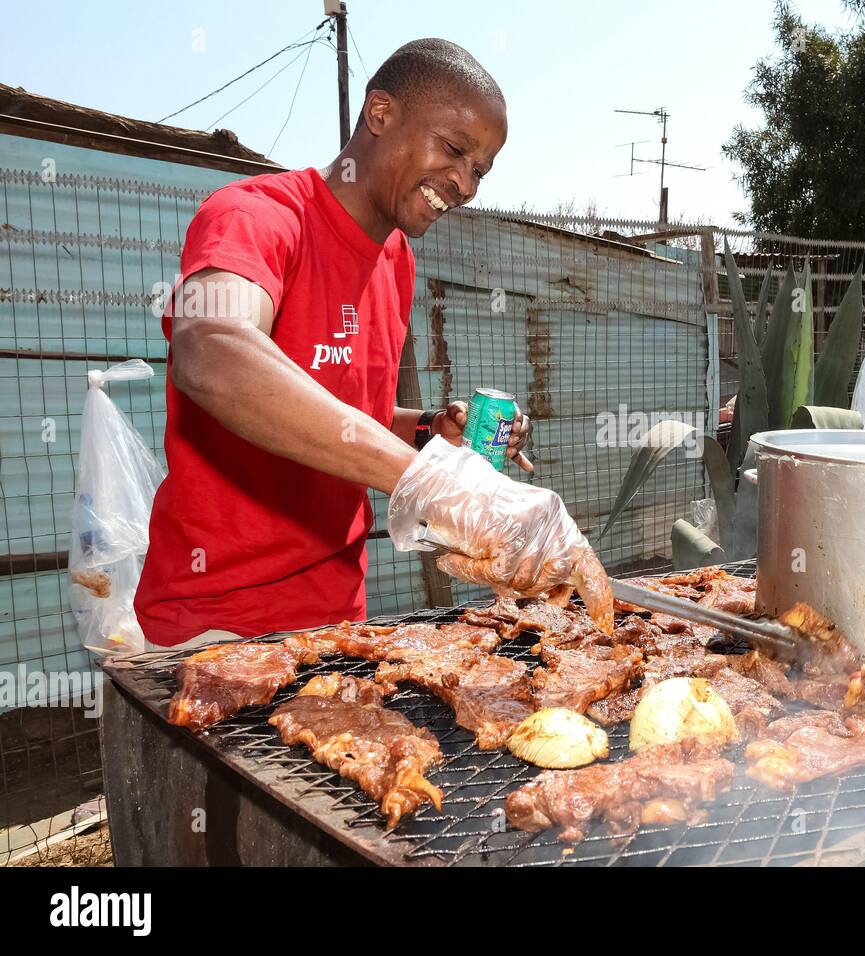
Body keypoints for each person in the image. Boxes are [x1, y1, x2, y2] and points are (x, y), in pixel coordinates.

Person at [134, 38, 610, 649]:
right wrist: (430, 482)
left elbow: (342, 410)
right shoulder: (255, 217)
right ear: (380, 114)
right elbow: (213, 351)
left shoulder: (397, 261)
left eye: (480, 169)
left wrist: (430, 432)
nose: (465, 184)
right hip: (215, 629)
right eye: (455, 150)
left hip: (339, 622)